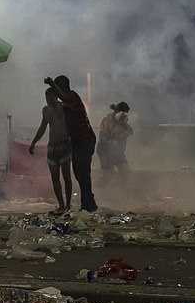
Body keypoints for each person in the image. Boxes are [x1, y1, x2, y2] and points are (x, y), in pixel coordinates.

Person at [45, 75, 98, 213]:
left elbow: (65, 97)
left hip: (85, 140)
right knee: (79, 173)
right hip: (76, 143)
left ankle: (88, 204)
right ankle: (87, 203)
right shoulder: (65, 105)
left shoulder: (73, 97)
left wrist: (51, 83)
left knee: (83, 172)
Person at [28, 87, 72, 215]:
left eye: (50, 97)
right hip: (52, 147)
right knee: (55, 178)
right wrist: (33, 143)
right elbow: (43, 127)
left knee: (66, 176)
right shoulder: (46, 110)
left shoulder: (64, 108)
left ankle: (68, 204)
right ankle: (62, 205)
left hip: (64, 145)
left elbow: (71, 125)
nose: (48, 100)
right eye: (46, 97)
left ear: (56, 96)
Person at [97, 101, 132, 185]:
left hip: (117, 152)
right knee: (107, 175)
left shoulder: (122, 122)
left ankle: (123, 190)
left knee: (126, 172)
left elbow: (130, 131)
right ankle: (96, 189)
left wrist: (123, 123)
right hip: (105, 151)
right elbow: (105, 135)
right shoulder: (107, 121)